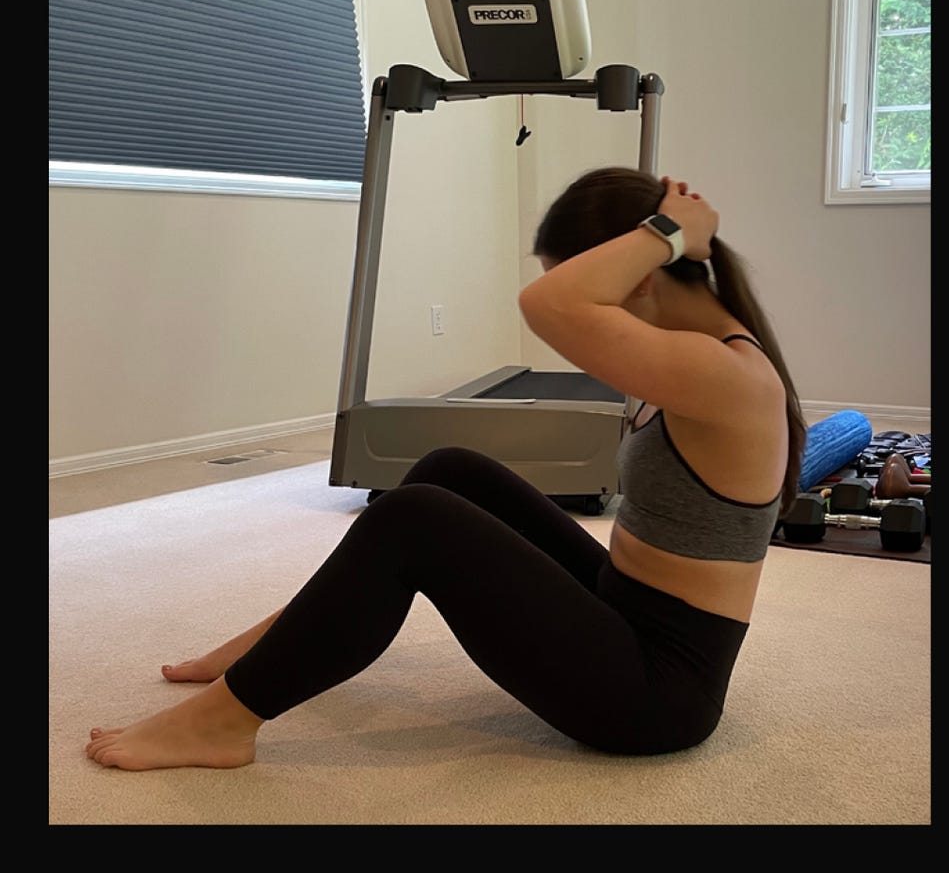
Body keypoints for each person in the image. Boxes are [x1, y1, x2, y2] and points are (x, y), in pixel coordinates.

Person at [86, 167, 808, 771]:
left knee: (414, 521)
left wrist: (669, 231)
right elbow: (562, 298)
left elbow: (545, 304)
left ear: (644, 277)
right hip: (626, 609)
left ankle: (221, 724)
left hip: (655, 697)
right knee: (450, 471)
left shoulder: (729, 376)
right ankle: (277, 644)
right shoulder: (704, 356)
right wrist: (669, 233)